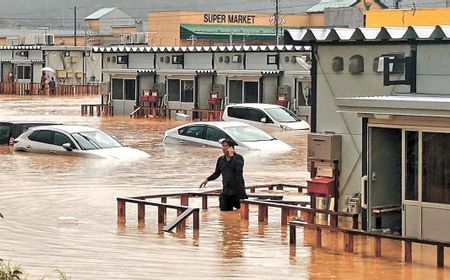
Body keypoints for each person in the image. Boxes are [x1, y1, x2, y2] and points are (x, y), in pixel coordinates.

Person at [199, 138, 248, 211]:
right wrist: (207, 179)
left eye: (225, 146)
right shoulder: (221, 159)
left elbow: (238, 169)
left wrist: (232, 157)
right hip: (226, 191)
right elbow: (217, 173)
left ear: (231, 148)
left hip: (238, 191)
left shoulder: (239, 158)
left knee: (242, 213)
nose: (223, 148)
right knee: (225, 214)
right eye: (222, 146)